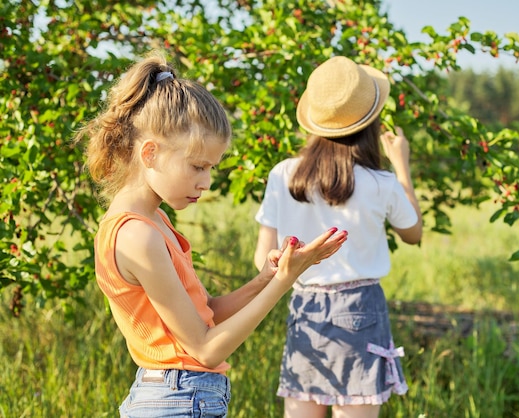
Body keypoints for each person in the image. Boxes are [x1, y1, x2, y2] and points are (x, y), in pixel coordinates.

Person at [75, 51, 348, 418]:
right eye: (197, 166)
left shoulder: (155, 221)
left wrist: (265, 278)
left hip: (178, 396)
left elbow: (209, 315)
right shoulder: (137, 235)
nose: (205, 182)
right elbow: (205, 349)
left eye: (211, 168)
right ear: (150, 154)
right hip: (178, 401)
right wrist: (285, 282)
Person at [254, 56, 423, 418]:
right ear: (370, 121)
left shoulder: (282, 174)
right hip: (361, 306)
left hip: (305, 307)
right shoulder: (381, 183)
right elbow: (413, 233)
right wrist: (402, 167)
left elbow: (262, 258)